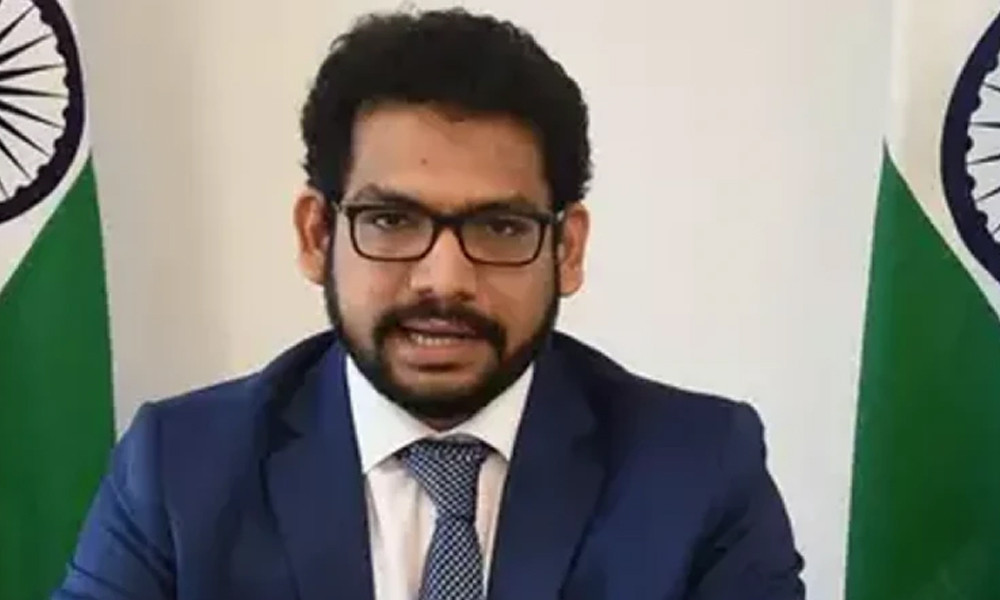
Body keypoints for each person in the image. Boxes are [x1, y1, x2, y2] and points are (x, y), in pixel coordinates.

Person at [56, 8, 804, 600]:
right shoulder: (178, 472)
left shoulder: (700, 471)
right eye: (392, 221)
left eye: (500, 227)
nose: (444, 280)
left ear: (567, 249)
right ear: (317, 235)